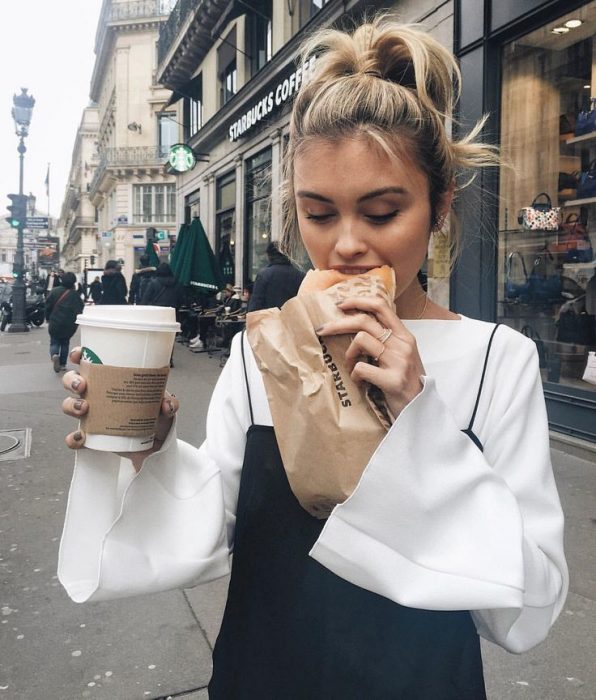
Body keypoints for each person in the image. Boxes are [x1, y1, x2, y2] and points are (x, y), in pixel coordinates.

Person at [58, 18, 567, 699]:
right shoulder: (259, 346)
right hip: (261, 674)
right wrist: (149, 450)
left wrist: (422, 422)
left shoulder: (499, 360)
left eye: (382, 212)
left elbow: (526, 609)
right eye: (319, 213)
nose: (347, 244)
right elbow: (214, 527)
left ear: (439, 207)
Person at [247, 240, 305, 311]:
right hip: (293, 319)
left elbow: (256, 305)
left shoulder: (264, 275)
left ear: (269, 256)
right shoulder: (300, 275)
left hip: (270, 320)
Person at [44, 271, 84, 372]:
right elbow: (80, 309)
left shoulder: (54, 291)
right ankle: (62, 364)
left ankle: (54, 355)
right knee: (65, 343)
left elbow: (47, 306)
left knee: (54, 342)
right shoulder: (75, 295)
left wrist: (48, 318)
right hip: (68, 324)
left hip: (55, 321)